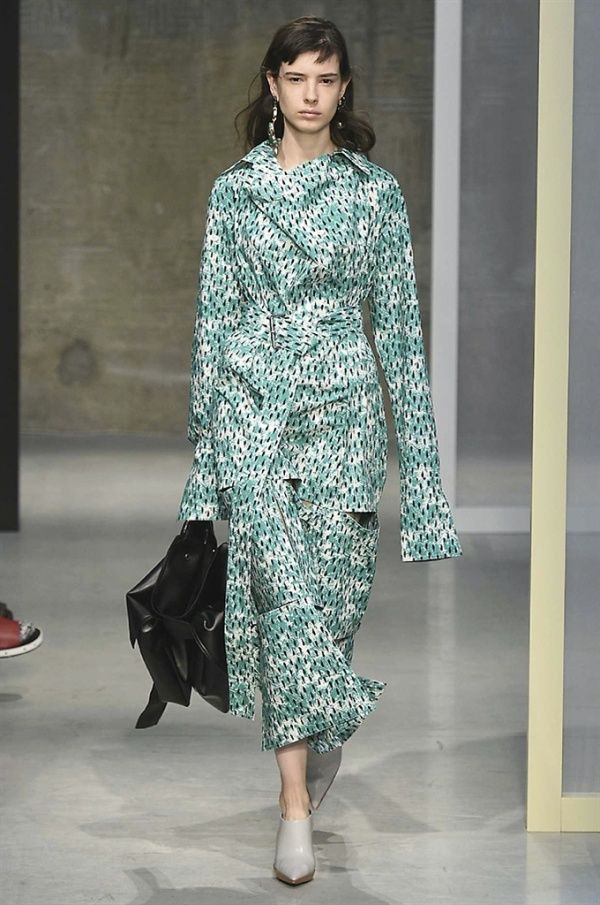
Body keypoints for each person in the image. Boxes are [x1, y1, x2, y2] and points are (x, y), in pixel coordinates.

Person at [177, 15, 462, 885]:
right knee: (283, 603)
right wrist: (204, 469)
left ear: (343, 89)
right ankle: (293, 802)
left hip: (343, 412)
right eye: (295, 77)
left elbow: (401, 338)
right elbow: (213, 324)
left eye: (325, 79)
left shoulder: (374, 194)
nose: (310, 94)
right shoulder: (236, 192)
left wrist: (426, 491)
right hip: (254, 411)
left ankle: (321, 720)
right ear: (272, 85)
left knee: (333, 606)